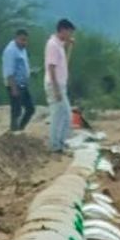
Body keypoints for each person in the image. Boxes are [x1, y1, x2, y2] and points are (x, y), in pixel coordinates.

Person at [44, 19, 76, 153]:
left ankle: (59, 143)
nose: (70, 35)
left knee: (65, 116)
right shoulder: (53, 45)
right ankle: (55, 145)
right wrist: (56, 90)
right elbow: (51, 68)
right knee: (60, 116)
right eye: (69, 32)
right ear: (63, 30)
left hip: (60, 85)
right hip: (54, 86)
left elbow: (63, 62)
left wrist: (68, 45)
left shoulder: (59, 45)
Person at [2, 29, 35, 131]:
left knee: (30, 108)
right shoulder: (10, 51)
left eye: (26, 40)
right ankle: (13, 132)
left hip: (23, 84)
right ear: (16, 38)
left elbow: (22, 66)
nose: (24, 42)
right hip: (14, 84)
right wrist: (13, 88)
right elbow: (8, 71)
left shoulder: (22, 50)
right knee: (16, 111)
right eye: (22, 40)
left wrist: (30, 73)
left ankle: (20, 130)